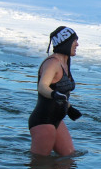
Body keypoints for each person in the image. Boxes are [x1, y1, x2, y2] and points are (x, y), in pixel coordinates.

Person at [29, 26, 81, 156]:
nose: (77, 44)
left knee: (69, 156)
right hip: (43, 121)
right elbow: (42, 87)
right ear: (65, 42)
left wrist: (69, 108)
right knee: (40, 165)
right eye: (74, 41)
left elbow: (61, 92)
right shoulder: (52, 63)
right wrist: (54, 94)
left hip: (57, 119)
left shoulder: (66, 61)